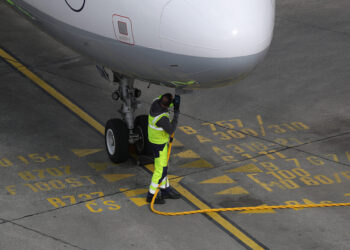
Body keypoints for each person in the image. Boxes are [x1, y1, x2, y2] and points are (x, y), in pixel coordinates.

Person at [146, 93, 181, 204]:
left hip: (158, 141)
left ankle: (165, 190)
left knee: (164, 166)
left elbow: (164, 98)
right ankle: (151, 195)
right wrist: (176, 113)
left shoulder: (155, 101)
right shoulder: (162, 119)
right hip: (159, 144)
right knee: (160, 171)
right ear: (167, 105)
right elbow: (171, 129)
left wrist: (172, 101)